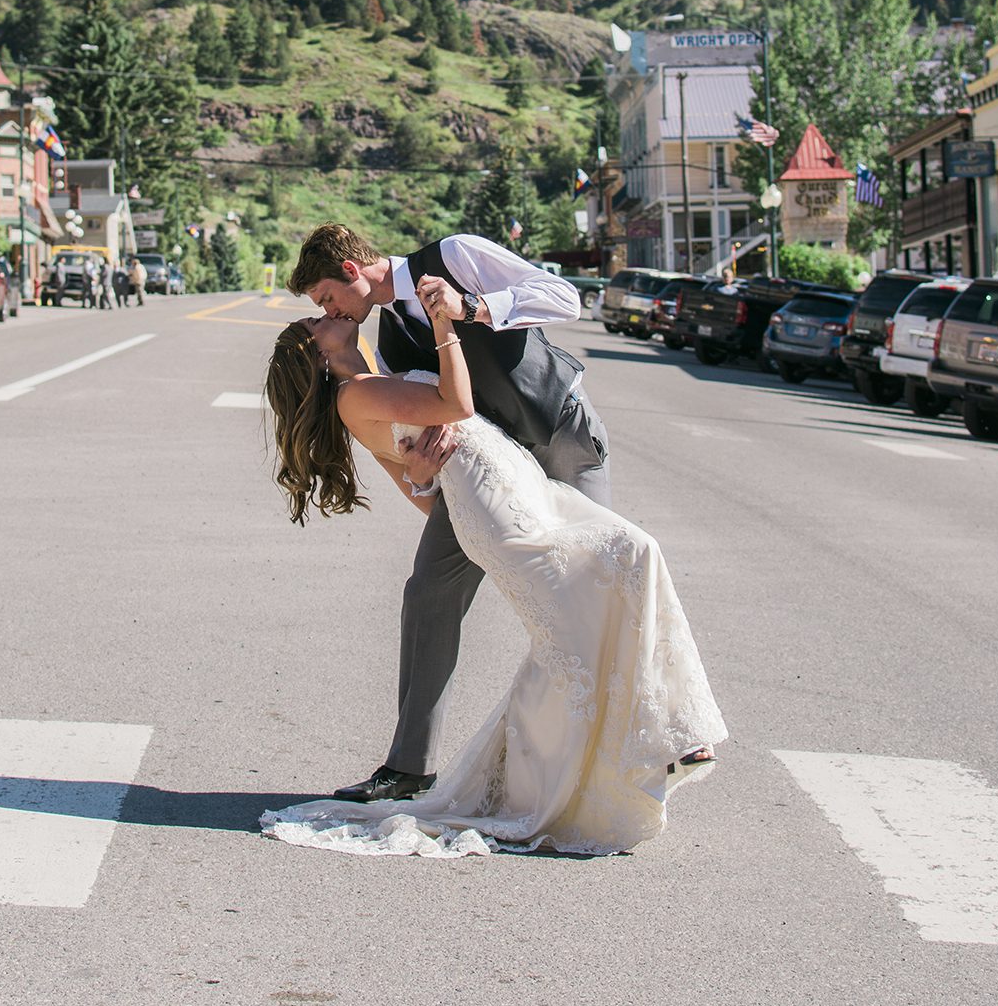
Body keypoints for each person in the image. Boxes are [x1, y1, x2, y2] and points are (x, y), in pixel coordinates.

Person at [260, 284, 726, 857]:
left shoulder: (373, 377)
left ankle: (665, 738)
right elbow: (457, 405)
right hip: (501, 514)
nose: (324, 316)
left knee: (633, 554)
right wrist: (445, 327)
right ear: (317, 354)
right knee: (587, 614)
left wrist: (427, 476)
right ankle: (611, 766)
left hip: (518, 487)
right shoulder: (354, 396)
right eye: (315, 323)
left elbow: (422, 490)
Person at [288, 224, 615, 806]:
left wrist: (476, 307)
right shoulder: (389, 344)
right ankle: (409, 767)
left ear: (350, 271)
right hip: (494, 468)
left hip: (559, 429)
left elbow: (567, 298)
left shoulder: (456, 255)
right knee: (428, 592)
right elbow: (428, 423)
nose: (329, 310)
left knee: (597, 577)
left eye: (325, 299)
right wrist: (419, 469)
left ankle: (638, 740)